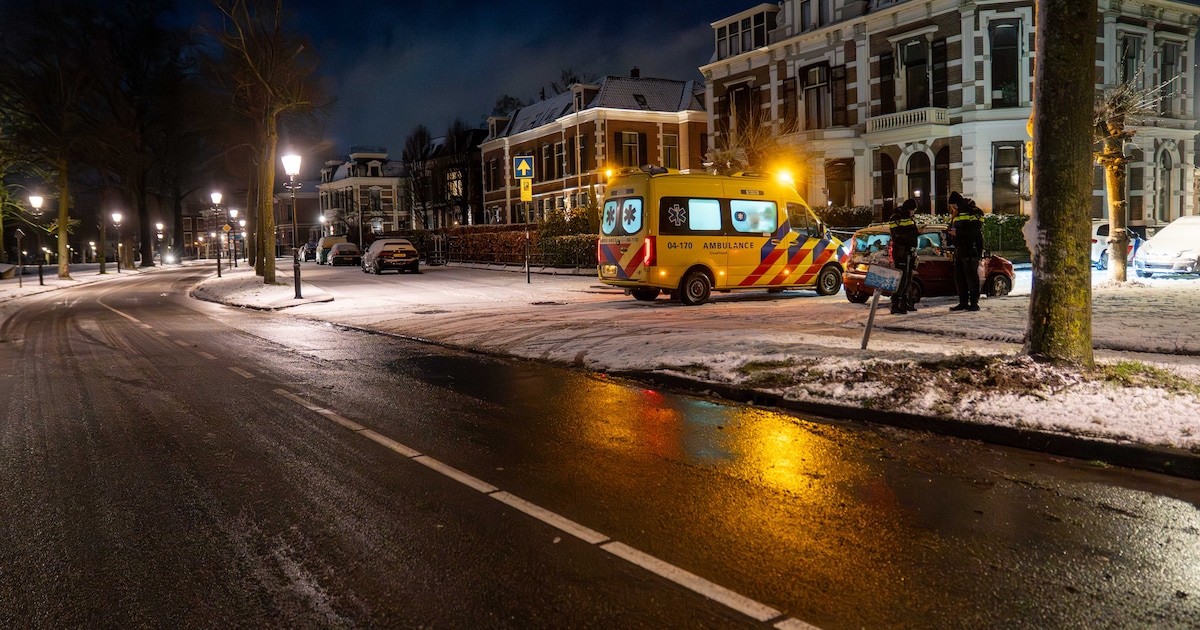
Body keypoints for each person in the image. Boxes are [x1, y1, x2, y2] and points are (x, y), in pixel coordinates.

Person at [948, 191, 985, 311]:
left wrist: (957, 233)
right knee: (960, 278)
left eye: (953, 205)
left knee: (971, 277)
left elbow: (974, 231)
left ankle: (974, 303)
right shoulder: (957, 213)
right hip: (960, 249)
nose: (952, 208)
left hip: (970, 249)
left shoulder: (974, 211)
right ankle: (963, 302)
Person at [888, 198, 919, 314]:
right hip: (901, 252)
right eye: (913, 210)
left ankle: (905, 303)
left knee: (907, 278)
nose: (913, 213)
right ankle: (896, 304)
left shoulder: (908, 217)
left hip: (908, 252)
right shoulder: (897, 216)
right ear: (909, 209)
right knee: (901, 278)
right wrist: (913, 234)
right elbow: (899, 234)